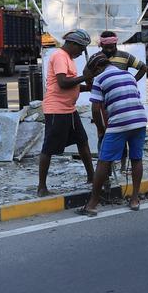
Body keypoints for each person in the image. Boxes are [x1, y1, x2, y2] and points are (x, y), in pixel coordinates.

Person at [77, 55, 148, 216]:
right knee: (137, 158)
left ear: (97, 69)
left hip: (119, 123)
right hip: (139, 120)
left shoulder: (100, 79)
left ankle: (92, 203)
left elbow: (96, 109)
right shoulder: (128, 75)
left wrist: (101, 129)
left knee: (104, 161)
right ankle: (135, 199)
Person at [38, 29, 96, 197]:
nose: (81, 53)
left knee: (83, 141)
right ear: (72, 44)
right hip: (57, 109)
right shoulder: (59, 56)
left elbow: (71, 84)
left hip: (69, 109)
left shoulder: (68, 58)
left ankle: (92, 177)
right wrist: (85, 77)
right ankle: (41, 187)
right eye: (81, 48)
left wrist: (87, 88)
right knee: (49, 148)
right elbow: (63, 83)